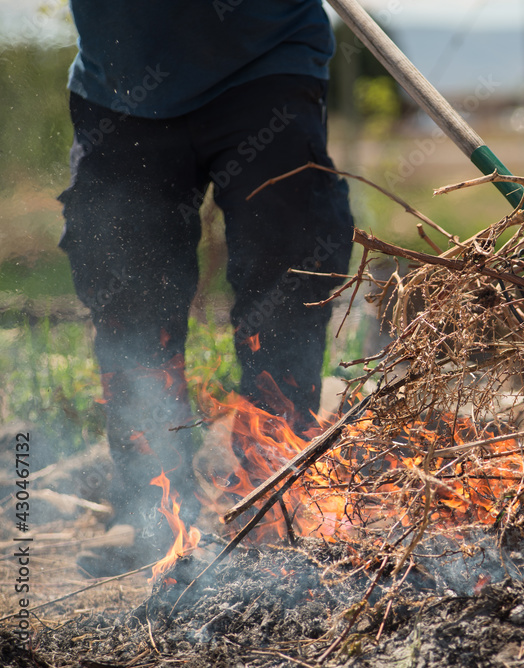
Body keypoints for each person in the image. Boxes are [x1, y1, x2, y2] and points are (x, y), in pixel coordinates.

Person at [60, 1, 355, 577]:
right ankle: (156, 509)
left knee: (289, 270)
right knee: (128, 295)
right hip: (121, 84)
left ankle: (273, 499)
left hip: (265, 58)